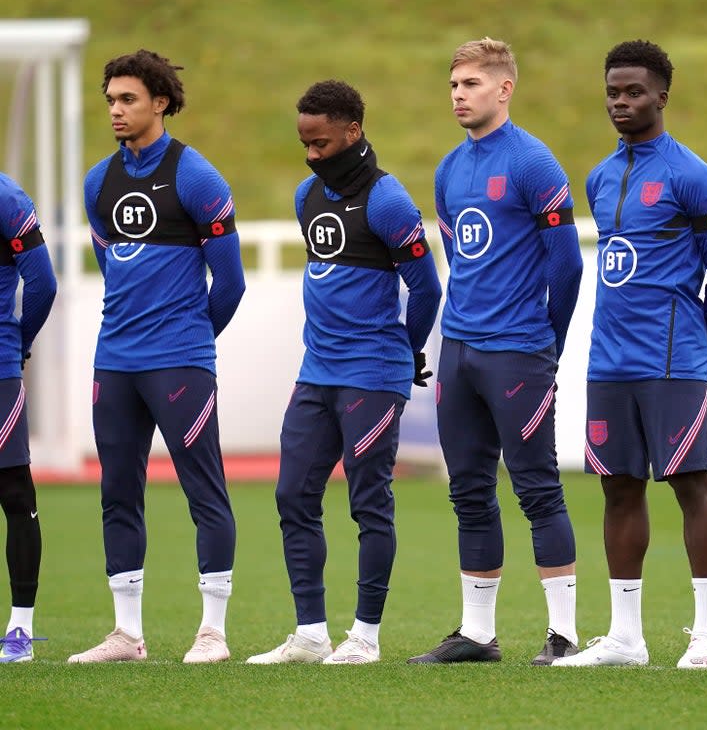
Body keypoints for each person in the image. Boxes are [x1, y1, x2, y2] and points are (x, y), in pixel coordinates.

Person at [553, 39, 707, 669]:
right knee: (617, 490)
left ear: (663, 95)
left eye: (634, 92)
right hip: (608, 360)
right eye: (612, 92)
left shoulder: (693, 176)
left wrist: (701, 347)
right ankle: (626, 638)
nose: (621, 102)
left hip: (670, 362)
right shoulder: (600, 177)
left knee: (691, 486)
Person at [248, 81, 441, 666]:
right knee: (293, 495)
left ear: (353, 131)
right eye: (305, 143)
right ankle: (310, 634)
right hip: (317, 372)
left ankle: (365, 636)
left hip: (373, 373)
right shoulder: (308, 195)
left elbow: (427, 288)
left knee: (368, 503)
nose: (311, 154)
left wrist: (403, 356)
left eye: (321, 142)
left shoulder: (387, 202)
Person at [408, 38, 583, 666]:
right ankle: (477, 634)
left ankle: (563, 636)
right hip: (459, 352)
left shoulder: (535, 163)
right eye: (454, 84)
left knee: (538, 489)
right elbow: (460, 256)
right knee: (469, 491)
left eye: (472, 83)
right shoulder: (448, 169)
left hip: (519, 354)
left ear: (504, 89)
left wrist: (547, 344)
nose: (459, 94)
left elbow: (567, 268)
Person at [70, 50, 246, 664]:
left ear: (161, 103)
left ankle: (213, 632)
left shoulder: (197, 178)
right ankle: (126, 634)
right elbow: (112, 266)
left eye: (129, 100)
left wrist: (190, 343)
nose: (116, 110)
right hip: (114, 361)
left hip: (179, 363)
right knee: (117, 490)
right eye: (110, 100)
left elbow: (229, 285)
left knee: (205, 491)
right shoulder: (98, 182)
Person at [0, 173, 57, 664]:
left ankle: (19, 631)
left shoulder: (6, 198)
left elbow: (43, 282)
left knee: (15, 493)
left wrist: (18, 344)